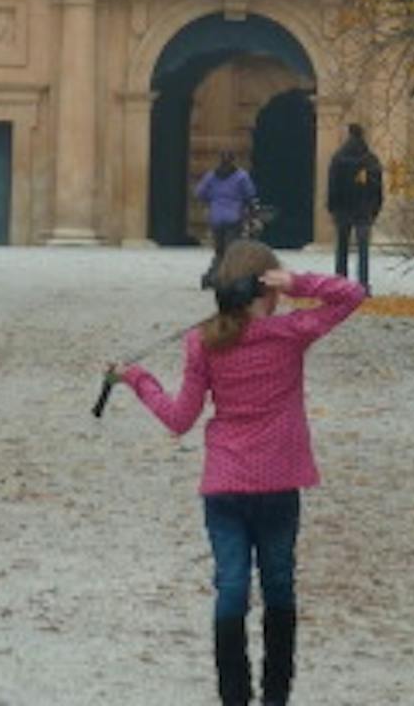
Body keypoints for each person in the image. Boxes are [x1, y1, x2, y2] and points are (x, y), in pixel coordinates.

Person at [117, 240, 366, 706]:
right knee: (279, 585)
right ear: (265, 288)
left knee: (231, 586)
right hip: (278, 485)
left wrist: (138, 379)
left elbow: (178, 419)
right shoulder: (292, 331)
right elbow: (352, 293)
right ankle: (275, 697)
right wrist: (299, 282)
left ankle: (234, 697)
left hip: (225, 486)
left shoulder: (203, 342)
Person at [323, 122, 385, 287]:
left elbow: (333, 185)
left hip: (343, 209)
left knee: (342, 248)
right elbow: (377, 187)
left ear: (348, 134)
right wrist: (375, 209)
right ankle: (363, 284)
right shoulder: (370, 159)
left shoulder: (338, 158)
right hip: (364, 210)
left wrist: (332, 207)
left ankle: (340, 283)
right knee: (363, 250)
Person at [195, 148, 259, 275]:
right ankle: (229, 275)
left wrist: (211, 200)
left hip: (216, 217)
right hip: (234, 217)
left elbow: (199, 192)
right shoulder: (241, 176)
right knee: (231, 249)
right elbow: (250, 195)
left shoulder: (211, 175)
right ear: (234, 160)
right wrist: (250, 211)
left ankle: (215, 273)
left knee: (219, 250)